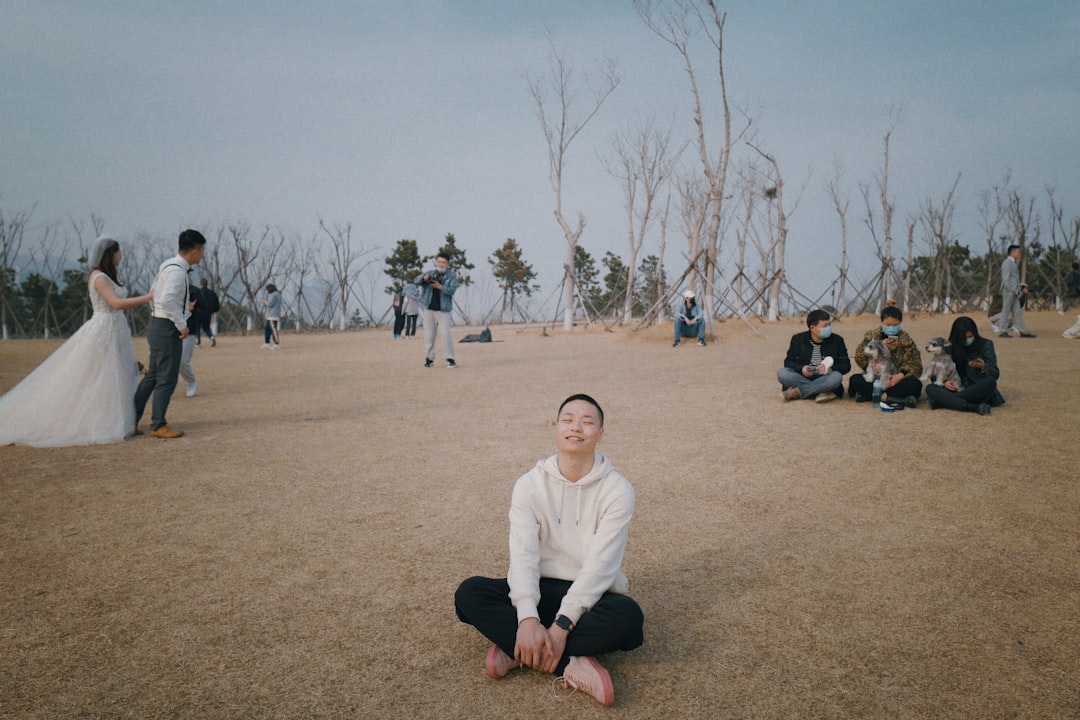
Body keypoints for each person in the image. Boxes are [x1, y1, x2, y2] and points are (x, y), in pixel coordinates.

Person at [454, 394, 643, 707]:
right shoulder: (529, 484)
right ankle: (570, 659)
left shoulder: (617, 490)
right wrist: (528, 617)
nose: (576, 427)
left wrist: (562, 626)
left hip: (591, 597)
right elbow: (523, 555)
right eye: (568, 419)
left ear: (601, 433)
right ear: (556, 428)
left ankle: (518, 649)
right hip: (539, 588)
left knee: (628, 618)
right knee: (470, 593)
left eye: (587, 421)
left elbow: (601, 566)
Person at [0, 236, 153, 447]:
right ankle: (103, 423)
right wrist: (147, 298)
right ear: (111, 253)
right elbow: (115, 303)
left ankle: (121, 421)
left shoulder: (105, 276)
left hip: (115, 329)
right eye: (119, 251)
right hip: (104, 329)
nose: (121, 256)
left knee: (115, 375)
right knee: (101, 376)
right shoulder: (99, 277)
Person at [134, 229, 206, 438]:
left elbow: (156, 295)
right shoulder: (177, 271)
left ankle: (133, 419)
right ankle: (158, 425)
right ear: (194, 250)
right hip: (166, 328)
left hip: (158, 324)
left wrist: (182, 311)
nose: (202, 255)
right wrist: (182, 323)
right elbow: (166, 299)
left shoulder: (167, 265)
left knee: (153, 376)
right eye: (201, 250)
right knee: (166, 378)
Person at [848, 301, 923, 407]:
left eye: (895, 325)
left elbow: (916, 366)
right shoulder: (871, 337)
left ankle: (870, 396)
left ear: (900, 323)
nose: (891, 328)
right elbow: (859, 356)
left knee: (915, 385)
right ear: (882, 322)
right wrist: (879, 347)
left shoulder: (907, 342)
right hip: (874, 378)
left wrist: (900, 376)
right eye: (888, 325)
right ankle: (893, 398)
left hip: (896, 380)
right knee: (855, 380)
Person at [925, 316, 1005, 415]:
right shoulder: (948, 348)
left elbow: (995, 373)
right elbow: (935, 373)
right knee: (930, 388)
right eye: (965, 338)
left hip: (976, 389)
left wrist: (984, 367)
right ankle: (973, 407)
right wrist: (945, 382)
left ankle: (942, 402)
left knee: (991, 382)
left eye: (970, 336)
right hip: (955, 387)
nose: (968, 340)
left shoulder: (986, 345)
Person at [777, 308, 851, 403]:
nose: (829, 328)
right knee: (782, 373)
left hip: (826, 376)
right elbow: (788, 362)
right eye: (825, 326)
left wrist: (830, 369)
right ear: (812, 328)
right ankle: (824, 391)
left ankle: (797, 392)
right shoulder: (798, 339)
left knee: (836, 377)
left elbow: (846, 366)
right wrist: (802, 369)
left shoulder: (837, 340)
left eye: (829, 324)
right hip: (802, 376)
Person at [415, 252, 459, 368]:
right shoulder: (429, 273)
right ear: (436, 262)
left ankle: (450, 359)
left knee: (445, 334)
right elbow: (417, 281)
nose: (441, 264)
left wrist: (440, 287)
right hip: (429, 309)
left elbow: (451, 291)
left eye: (444, 262)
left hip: (444, 310)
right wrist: (423, 279)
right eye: (439, 262)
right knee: (429, 335)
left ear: (448, 264)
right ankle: (429, 359)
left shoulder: (452, 277)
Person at [998, 245, 1035, 338]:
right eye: (1018, 252)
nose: (1019, 254)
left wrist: (1018, 287)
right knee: (1006, 311)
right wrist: (1010, 289)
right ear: (1013, 252)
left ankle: (1023, 332)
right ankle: (1002, 331)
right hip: (1009, 291)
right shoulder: (1007, 263)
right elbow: (1005, 279)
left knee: (1017, 312)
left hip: (1014, 291)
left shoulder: (1012, 263)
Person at [179, 281, 205, 398]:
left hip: (188, 330)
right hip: (168, 330)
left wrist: (192, 309)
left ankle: (192, 381)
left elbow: (204, 312)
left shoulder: (195, 291)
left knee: (182, 361)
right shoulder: (167, 289)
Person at [195, 278, 219, 347]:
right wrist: (214, 311)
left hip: (199, 313)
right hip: (208, 313)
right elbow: (216, 303)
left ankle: (198, 343)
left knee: (197, 327)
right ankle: (211, 337)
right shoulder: (212, 293)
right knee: (206, 327)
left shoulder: (198, 292)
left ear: (200, 284)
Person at [262, 283, 282, 349]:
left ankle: (277, 344)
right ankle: (267, 343)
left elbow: (270, 304)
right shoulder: (278, 294)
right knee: (267, 329)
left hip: (272, 315)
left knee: (273, 329)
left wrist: (265, 302)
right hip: (274, 315)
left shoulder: (273, 295)